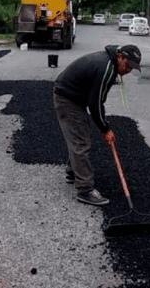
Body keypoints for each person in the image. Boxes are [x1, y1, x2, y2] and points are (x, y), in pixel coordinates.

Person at [52, 44, 142, 206]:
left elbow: (97, 100)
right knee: (80, 141)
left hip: (75, 95)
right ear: (120, 57)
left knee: (81, 134)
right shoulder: (106, 68)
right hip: (67, 97)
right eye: (128, 66)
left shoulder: (110, 63)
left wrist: (103, 126)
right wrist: (105, 129)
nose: (128, 71)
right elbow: (95, 104)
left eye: (131, 69)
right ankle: (85, 189)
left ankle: (73, 172)